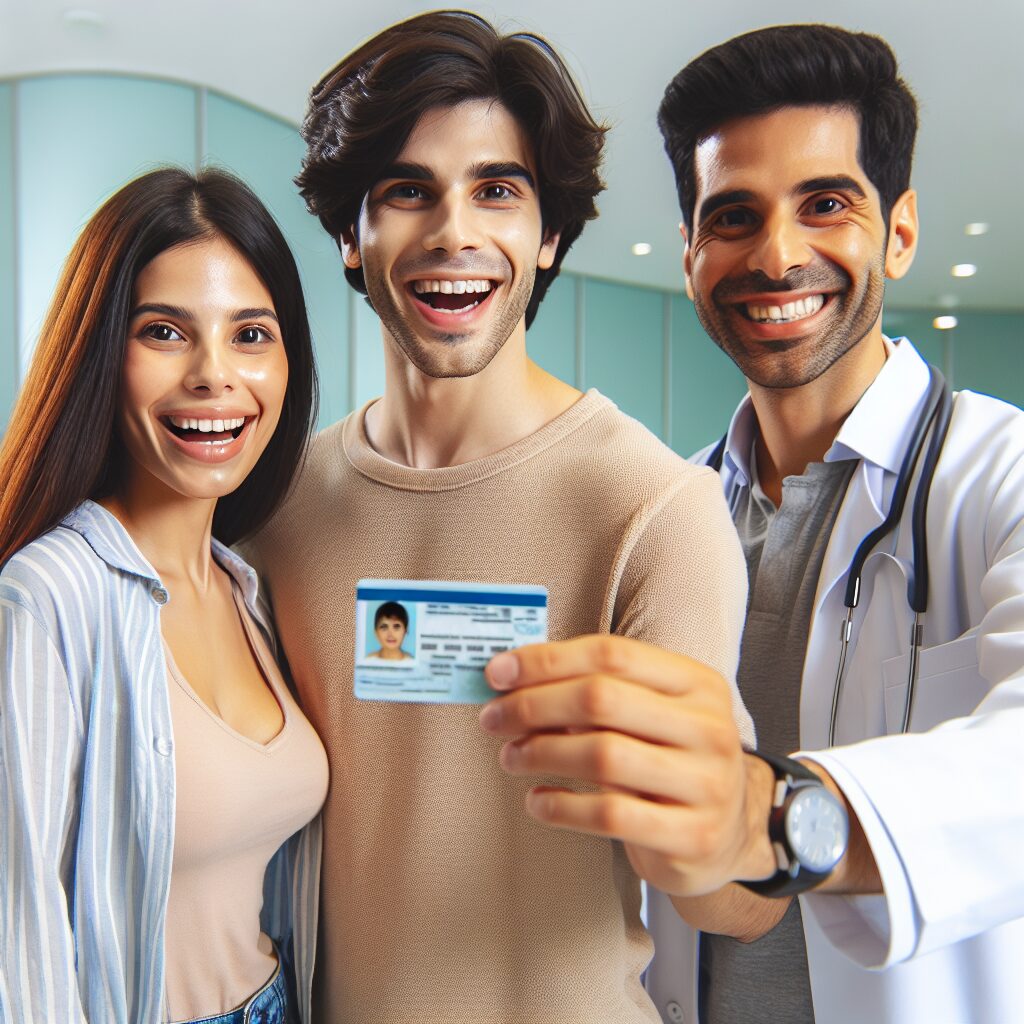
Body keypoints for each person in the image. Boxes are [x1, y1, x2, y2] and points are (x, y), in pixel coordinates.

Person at [479, 23, 1024, 1024]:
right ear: (689, 254)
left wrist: (769, 820)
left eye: (825, 204)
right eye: (732, 216)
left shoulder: (1003, 475)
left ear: (898, 231)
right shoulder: (663, 513)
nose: (776, 255)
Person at [247, 10, 754, 1022]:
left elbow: (735, 904)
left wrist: (706, 828)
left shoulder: (656, 511)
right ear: (351, 236)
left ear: (548, 232)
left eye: (497, 190)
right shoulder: (275, 507)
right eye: (406, 191)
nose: (454, 232)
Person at [0, 168, 327, 1024]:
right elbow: (16, 937)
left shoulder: (250, 588)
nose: (215, 376)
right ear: (102, 353)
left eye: (251, 334)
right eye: (165, 332)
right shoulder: (44, 599)